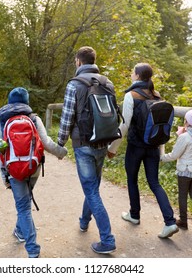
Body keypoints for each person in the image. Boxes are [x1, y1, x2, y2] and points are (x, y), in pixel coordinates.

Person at [107, 63, 179, 239]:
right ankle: (170, 222)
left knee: (132, 180)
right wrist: (162, 152)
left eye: (133, 72)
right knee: (154, 183)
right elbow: (161, 128)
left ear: (138, 76)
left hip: (136, 146)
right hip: (153, 147)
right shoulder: (157, 96)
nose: (131, 74)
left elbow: (124, 124)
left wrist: (112, 148)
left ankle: (134, 215)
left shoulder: (131, 96)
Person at [57, 46, 116, 254]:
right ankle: (84, 220)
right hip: (102, 141)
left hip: (83, 145)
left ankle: (107, 239)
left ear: (78, 62)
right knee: (93, 189)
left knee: (91, 190)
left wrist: (60, 143)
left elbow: (67, 118)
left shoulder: (74, 85)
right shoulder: (107, 82)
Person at [0, 87, 67, 258]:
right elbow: (47, 143)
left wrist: (3, 175)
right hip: (33, 167)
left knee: (23, 207)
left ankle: (33, 250)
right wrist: (61, 153)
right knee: (24, 204)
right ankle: (20, 232)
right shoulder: (33, 118)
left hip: (13, 170)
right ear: (27, 101)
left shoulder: (4, 121)